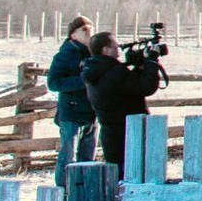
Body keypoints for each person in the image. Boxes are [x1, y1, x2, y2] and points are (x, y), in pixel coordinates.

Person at [82, 30, 162, 171]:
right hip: (129, 131)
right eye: (115, 47)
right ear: (105, 50)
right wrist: (151, 62)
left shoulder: (94, 71)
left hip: (111, 133)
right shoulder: (115, 72)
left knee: (117, 175)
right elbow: (145, 87)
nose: (118, 50)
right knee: (134, 173)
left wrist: (137, 67)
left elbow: (127, 88)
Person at [46, 14, 96, 185]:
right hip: (71, 113)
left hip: (91, 113)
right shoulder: (64, 56)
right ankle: (63, 192)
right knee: (68, 157)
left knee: (88, 157)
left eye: (91, 29)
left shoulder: (93, 54)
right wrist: (82, 81)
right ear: (73, 34)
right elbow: (53, 83)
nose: (89, 33)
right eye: (85, 30)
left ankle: (85, 194)